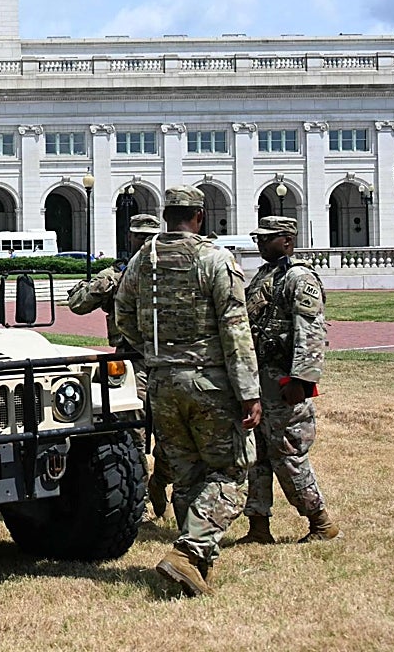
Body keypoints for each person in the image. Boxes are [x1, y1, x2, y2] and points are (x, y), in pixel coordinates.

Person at [115, 186, 261, 596]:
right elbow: (235, 329)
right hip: (208, 382)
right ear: (199, 216)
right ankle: (188, 551)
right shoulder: (215, 259)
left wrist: (152, 351)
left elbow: (122, 312)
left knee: (187, 475)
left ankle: (196, 567)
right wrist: (249, 390)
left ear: (166, 216)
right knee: (231, 473)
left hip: (162, 383)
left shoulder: (146, 258)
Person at [236, 216, 341, 544]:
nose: (260, 244)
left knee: (288, 452)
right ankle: (258, 525)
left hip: (284, 383)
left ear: (286, 240)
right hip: (260, 382)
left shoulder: (298, 277)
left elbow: (310, 332)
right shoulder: (267, 275)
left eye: (266, 239)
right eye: (258, 238)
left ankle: (320, 521)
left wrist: (301, 380)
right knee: (258, 454)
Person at [67, 213, 171, 516]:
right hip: (131, 363)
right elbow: (77, 303)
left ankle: (161, 482)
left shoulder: (173, 271)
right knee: (133, 430)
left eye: (150, 237)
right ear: (130, 238)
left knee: (172, 431)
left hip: (168, 362)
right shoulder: (117, 275)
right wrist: (101, 284)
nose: (144, 242)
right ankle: (137, 495)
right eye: (139, 236)